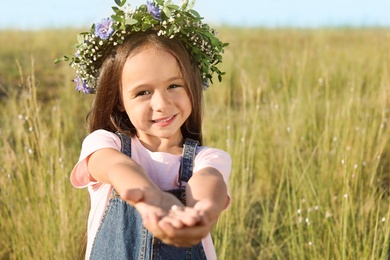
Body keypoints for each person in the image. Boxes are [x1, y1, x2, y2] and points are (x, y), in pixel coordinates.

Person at [62, 0, 231, 259]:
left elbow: (209, 181)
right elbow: (118, 168)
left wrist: (203, 212)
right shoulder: (104, 144)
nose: (162, 104)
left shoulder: (206, 158)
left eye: (174, 85)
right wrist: (151, 197)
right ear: (119, 99)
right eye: (143, 92)